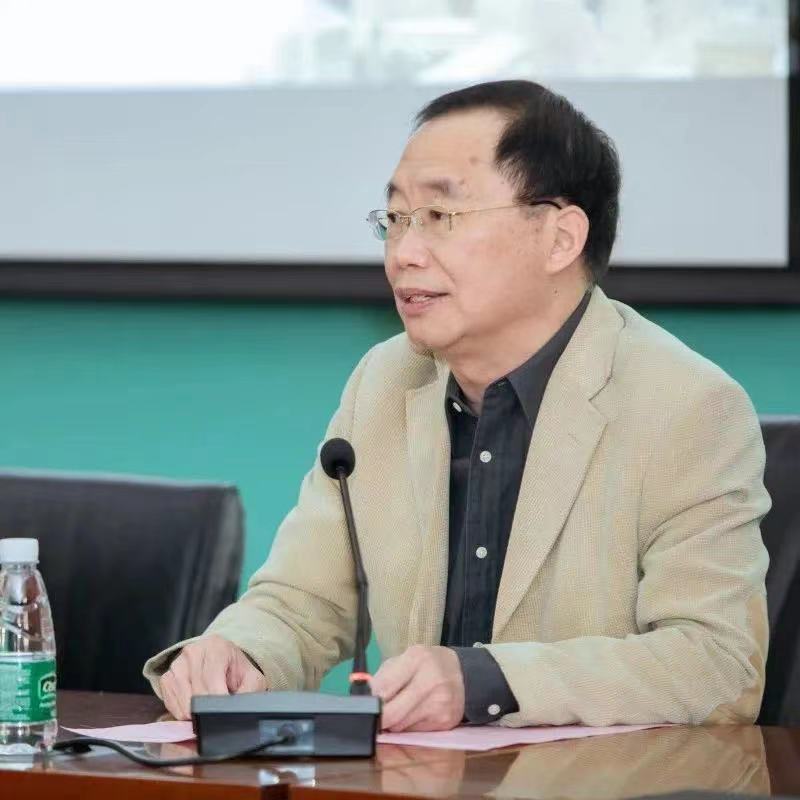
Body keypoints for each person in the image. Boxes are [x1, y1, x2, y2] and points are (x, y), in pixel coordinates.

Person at [143, 80, 770, 732]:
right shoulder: (386, 382)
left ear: (560, 238)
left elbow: (718, 666)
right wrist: (239, 653)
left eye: (441, 217)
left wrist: (487, 682)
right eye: (395, 219)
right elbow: (304, 600)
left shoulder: (687, 408)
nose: (404, 254)